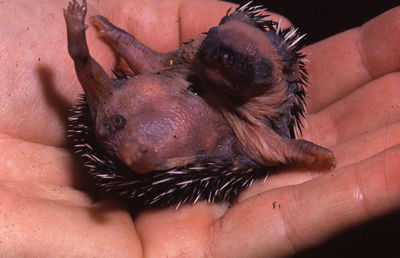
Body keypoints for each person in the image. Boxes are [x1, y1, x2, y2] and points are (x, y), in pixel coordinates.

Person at [0, 0, 399, 256]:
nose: (224, 62)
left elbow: (276, 146)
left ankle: (143, 158)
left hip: (153, 143)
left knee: (159, 130)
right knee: (123, 86)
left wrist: (308, 153)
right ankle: (114, 113)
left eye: (246, 65)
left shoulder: (250, 121)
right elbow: (152, 60)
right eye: (220, 49)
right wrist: (118, 38)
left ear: (277, 83)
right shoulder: (189, 64)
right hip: (122, 112)